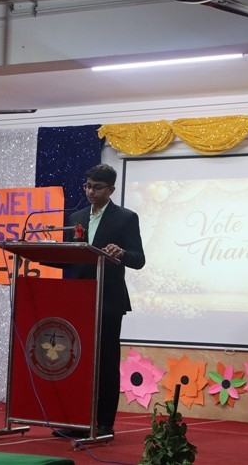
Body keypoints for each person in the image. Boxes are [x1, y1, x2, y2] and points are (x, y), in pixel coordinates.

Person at [54, 163, 146, 439]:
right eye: (87, 186)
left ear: (111, 190)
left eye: (97, 187)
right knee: (77, 361)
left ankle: (104, 424)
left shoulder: (125, 218)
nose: (90, 191)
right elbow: (69, 257)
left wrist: (122, 252)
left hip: (108, 300)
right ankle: (77, 420)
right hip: (79, 299)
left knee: (106, 363)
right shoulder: (77, 216)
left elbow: (139, 259)